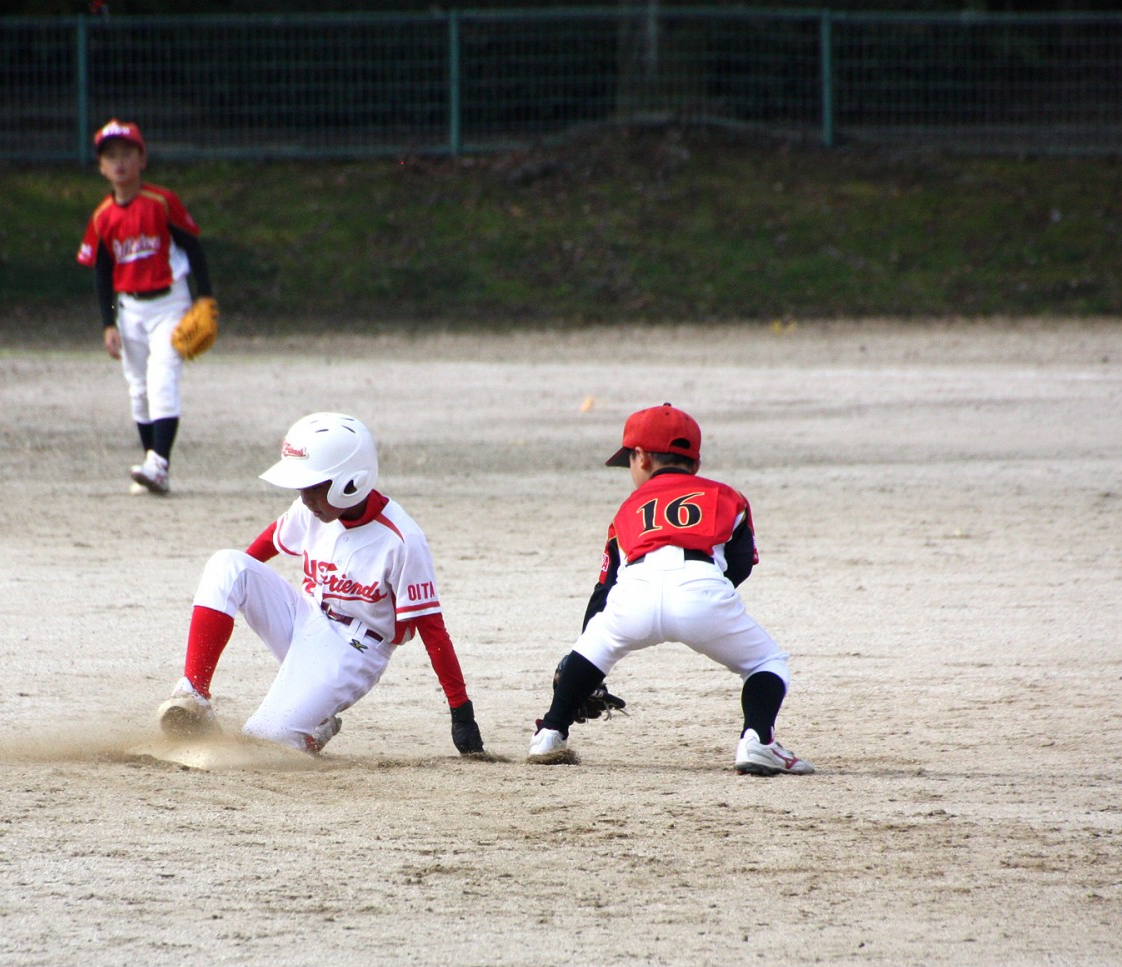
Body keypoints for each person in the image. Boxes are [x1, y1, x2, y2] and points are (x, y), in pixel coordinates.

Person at [155, 412, 486, 757]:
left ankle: (312, 731)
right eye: (302, 488)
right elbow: (258, 553)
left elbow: (433, 630)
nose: (305, 499)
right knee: (228, 563)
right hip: (305, 616)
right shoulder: (310, 510)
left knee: (262, 740)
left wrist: (461, 713)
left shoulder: (402, 541)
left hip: (355, 649)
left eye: (314, 487)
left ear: (351, 482)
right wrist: (232, 593)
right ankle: (194, 694)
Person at [528, 403, 814, 775]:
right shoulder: (727, 495)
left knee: (595, 648)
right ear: (695, 463)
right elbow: (741, 563)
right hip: (701, 585)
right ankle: (757, 741)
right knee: (766, 662)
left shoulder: (628, 508)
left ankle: (550, 734)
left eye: (629, 461)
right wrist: (707, 600)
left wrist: (583, 657)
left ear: (642, 457)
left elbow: (605, 588)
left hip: (635, 591)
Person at [76, 119, 214, 495]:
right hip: (129, 310)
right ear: (101, 167)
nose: (119, 162)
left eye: (127, 154)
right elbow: (102, 271)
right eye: (111, 157)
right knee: (138, 389)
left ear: (142, 160)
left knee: (161, 379)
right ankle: (155, 467)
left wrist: (205, 296)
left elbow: (193, 247)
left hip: (170, 303)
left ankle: (158, 463)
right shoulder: (103, 216)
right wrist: (108, 323)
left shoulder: (161, 202)